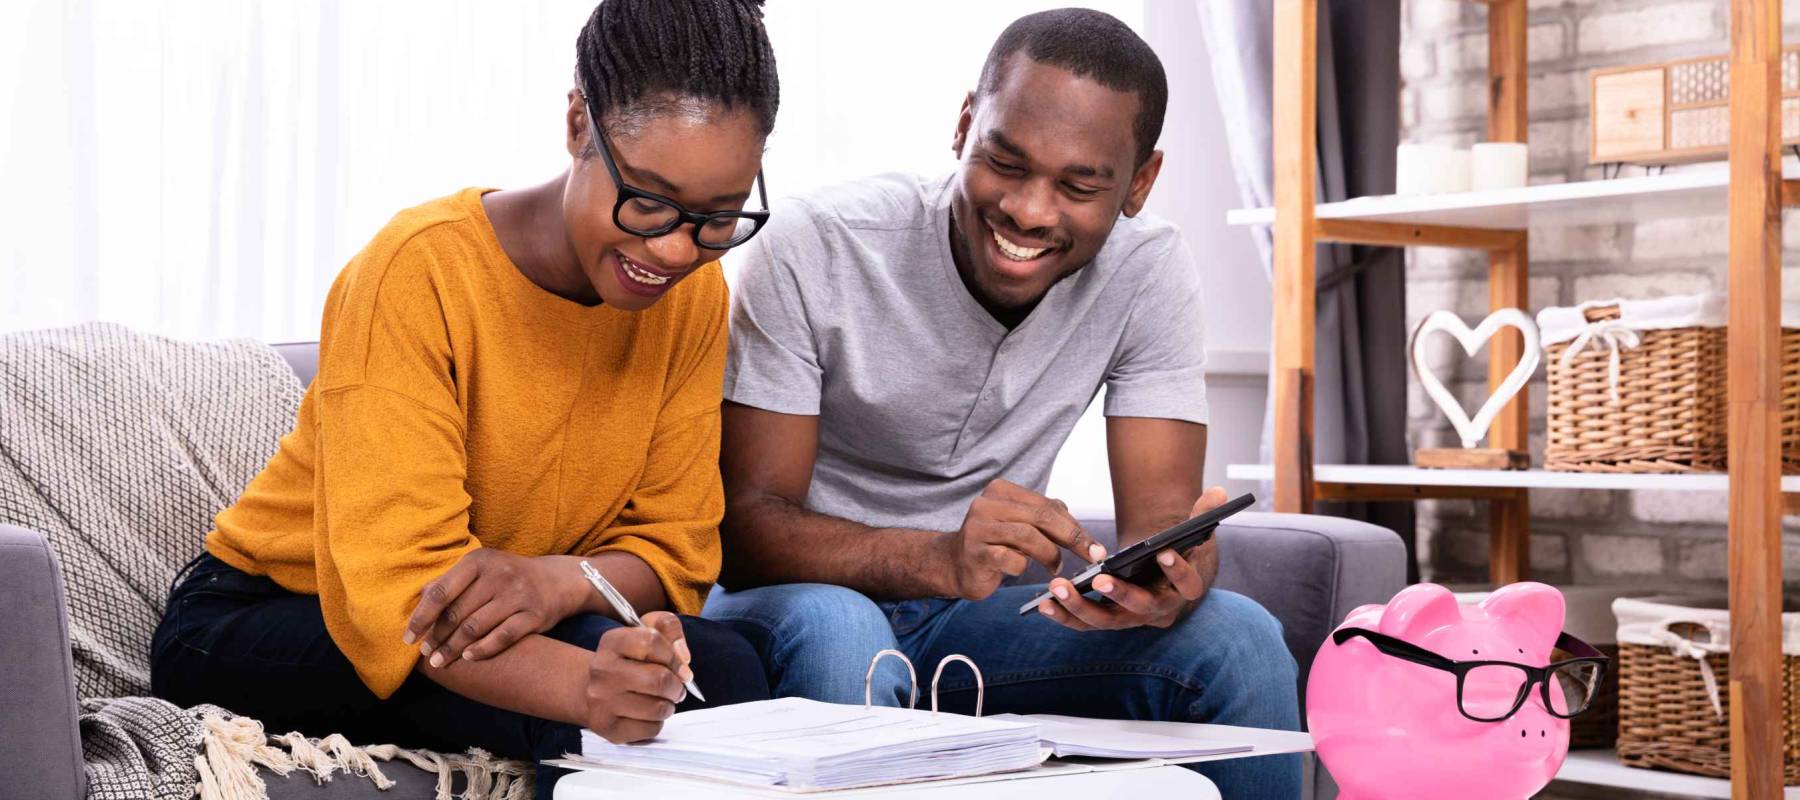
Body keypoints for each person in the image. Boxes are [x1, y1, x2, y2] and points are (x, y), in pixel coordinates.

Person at [150, 1, 779, 796]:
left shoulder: (694, 297)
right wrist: (588, 688)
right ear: (579, 123)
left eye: (717, 218)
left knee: (726, 663)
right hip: (270, 616)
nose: (674, 249)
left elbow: (678, 547)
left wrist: (554, 581)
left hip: (521, 608)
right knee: (596, 684)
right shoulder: (416, 274)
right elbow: (398, 603)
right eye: (647, 201)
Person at [704, 8, 1300, 798]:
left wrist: (1166, 577)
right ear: (963, 126)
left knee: (1240, 639)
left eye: (1079, 185)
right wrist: (937, 557)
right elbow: (745, 528)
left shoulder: (1148, 273)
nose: (1028, 210)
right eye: (1005, 162)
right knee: (843, 630)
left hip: (979, 623)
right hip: (800, 603)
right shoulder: (818, 244)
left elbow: (1159, 521)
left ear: (1140, 183)